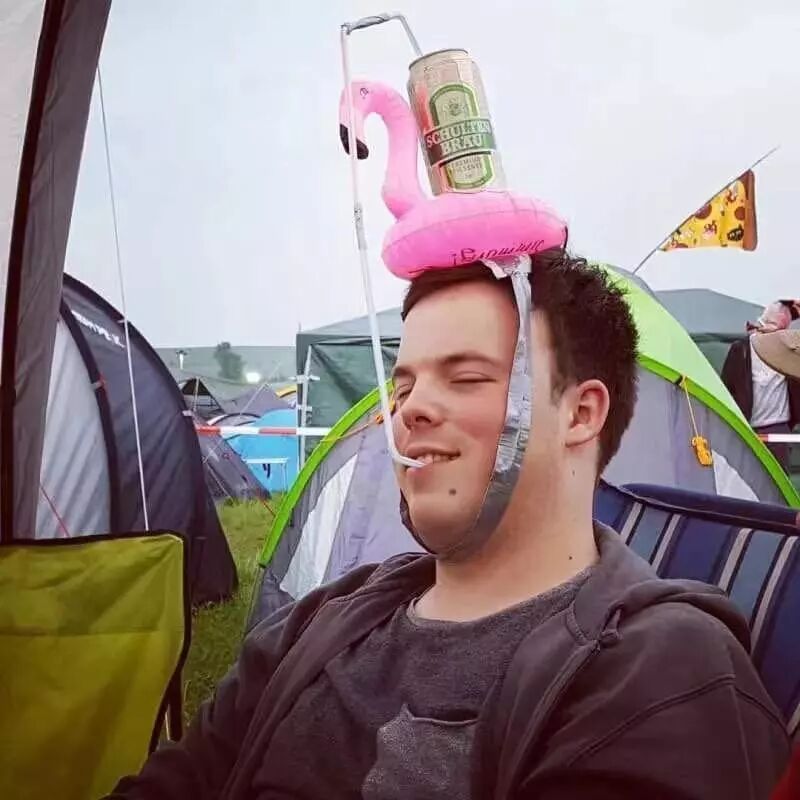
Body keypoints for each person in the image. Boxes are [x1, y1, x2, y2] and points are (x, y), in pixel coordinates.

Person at [109, 251, 789, 799]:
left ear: (581, 415)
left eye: (466, 378)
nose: (409, 410)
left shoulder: (661, 673)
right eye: (403, 385)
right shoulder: (322, 621)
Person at [721, 300, 800, 470]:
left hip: (778, 429)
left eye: (785, 330)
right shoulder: (741, 349)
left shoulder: (789, 350)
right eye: (779, 329)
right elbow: (726, 388)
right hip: (747, 429)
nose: (782, 335)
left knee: (778, 480)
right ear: (764, 324)